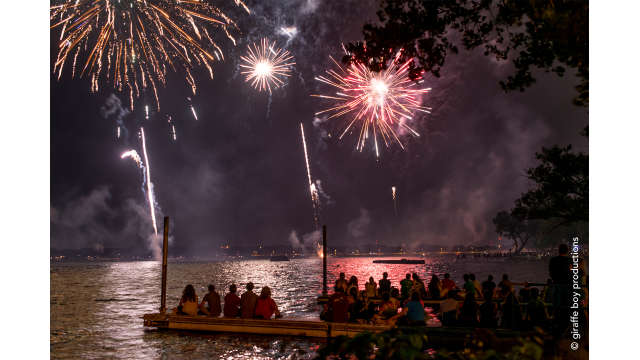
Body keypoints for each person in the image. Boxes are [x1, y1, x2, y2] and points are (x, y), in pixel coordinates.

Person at [549, 244, 571, 336]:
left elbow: (551, 273)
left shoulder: (553, 260)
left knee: (557, 308)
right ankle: (566, 328)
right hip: (567, 287)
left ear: (558, 250)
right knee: (567, 308)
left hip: (557, 285)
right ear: (567, 251)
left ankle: (556, 328)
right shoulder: (570, 261)